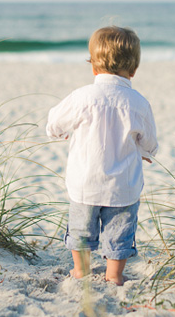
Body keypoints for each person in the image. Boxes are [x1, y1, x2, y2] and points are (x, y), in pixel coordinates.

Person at [46, 25, 158, 286]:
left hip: (84, 182)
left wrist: (59, 132)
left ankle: (80, 272)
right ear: (134, 70)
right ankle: (114, 276)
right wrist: (144, 151)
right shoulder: (138, 102)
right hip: (123, 185)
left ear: (93, 67)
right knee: (120, 232)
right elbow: (150, 142)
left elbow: (54, 123)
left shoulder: (82, 97)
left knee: (81, 231)